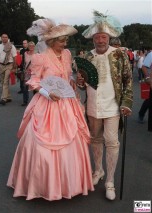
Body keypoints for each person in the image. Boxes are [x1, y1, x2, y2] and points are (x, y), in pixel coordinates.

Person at [7, 21, 94, 201]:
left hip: (67, 103)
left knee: (73, 139)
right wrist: (47, 92)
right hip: (47, 104)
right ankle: (41, 186)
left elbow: (67, 77)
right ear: (52, 41)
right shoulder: (40, 58)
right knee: (40, 142)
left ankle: (70, 184)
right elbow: (33, 81)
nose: (65, 44)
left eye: (65, 40)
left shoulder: (68, 55)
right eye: (62, 41)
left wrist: (74, 83)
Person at [76, 10, 133, 200]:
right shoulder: (86, 57)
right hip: (92, 106)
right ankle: (97, 171)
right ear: (92, 39)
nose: (100, 41)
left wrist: (126, 103)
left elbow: (128, 81)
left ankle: (110, 181)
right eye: (97, 37)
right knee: (95, 140)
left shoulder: (119, 55)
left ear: (109, 37)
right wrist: (80, 83)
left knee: (112, 142)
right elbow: (83, 83)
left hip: (113, 107)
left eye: (103, 37)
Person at [0, 33, 17, 105]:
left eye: (6, 37)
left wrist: (14, 67)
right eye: (3, 37)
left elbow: (15, 57)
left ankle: (3, 98)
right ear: (1, 38)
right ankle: (8, 97)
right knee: (3, 82)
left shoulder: (11, 47)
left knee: (5, 81)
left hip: (9, 65)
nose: (4, 38)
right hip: (0, 65)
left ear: (8, 38)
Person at [140, 49, 152, 131]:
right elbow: (144, 66)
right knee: (149, 100)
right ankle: (141, 113)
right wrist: (147, 77)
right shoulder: (151, 54)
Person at [21, 41, 36, 106]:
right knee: (25, 87)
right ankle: (25, 101)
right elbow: (23, 62)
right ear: (28, 47)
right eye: (30, 46)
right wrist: (22, 69)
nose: (31, 47)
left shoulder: (37, 54)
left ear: (34, 47)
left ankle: (35, 101)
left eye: (32, 46)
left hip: (34, 73)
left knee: (35, 87)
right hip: (27, 72)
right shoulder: (25, 53)